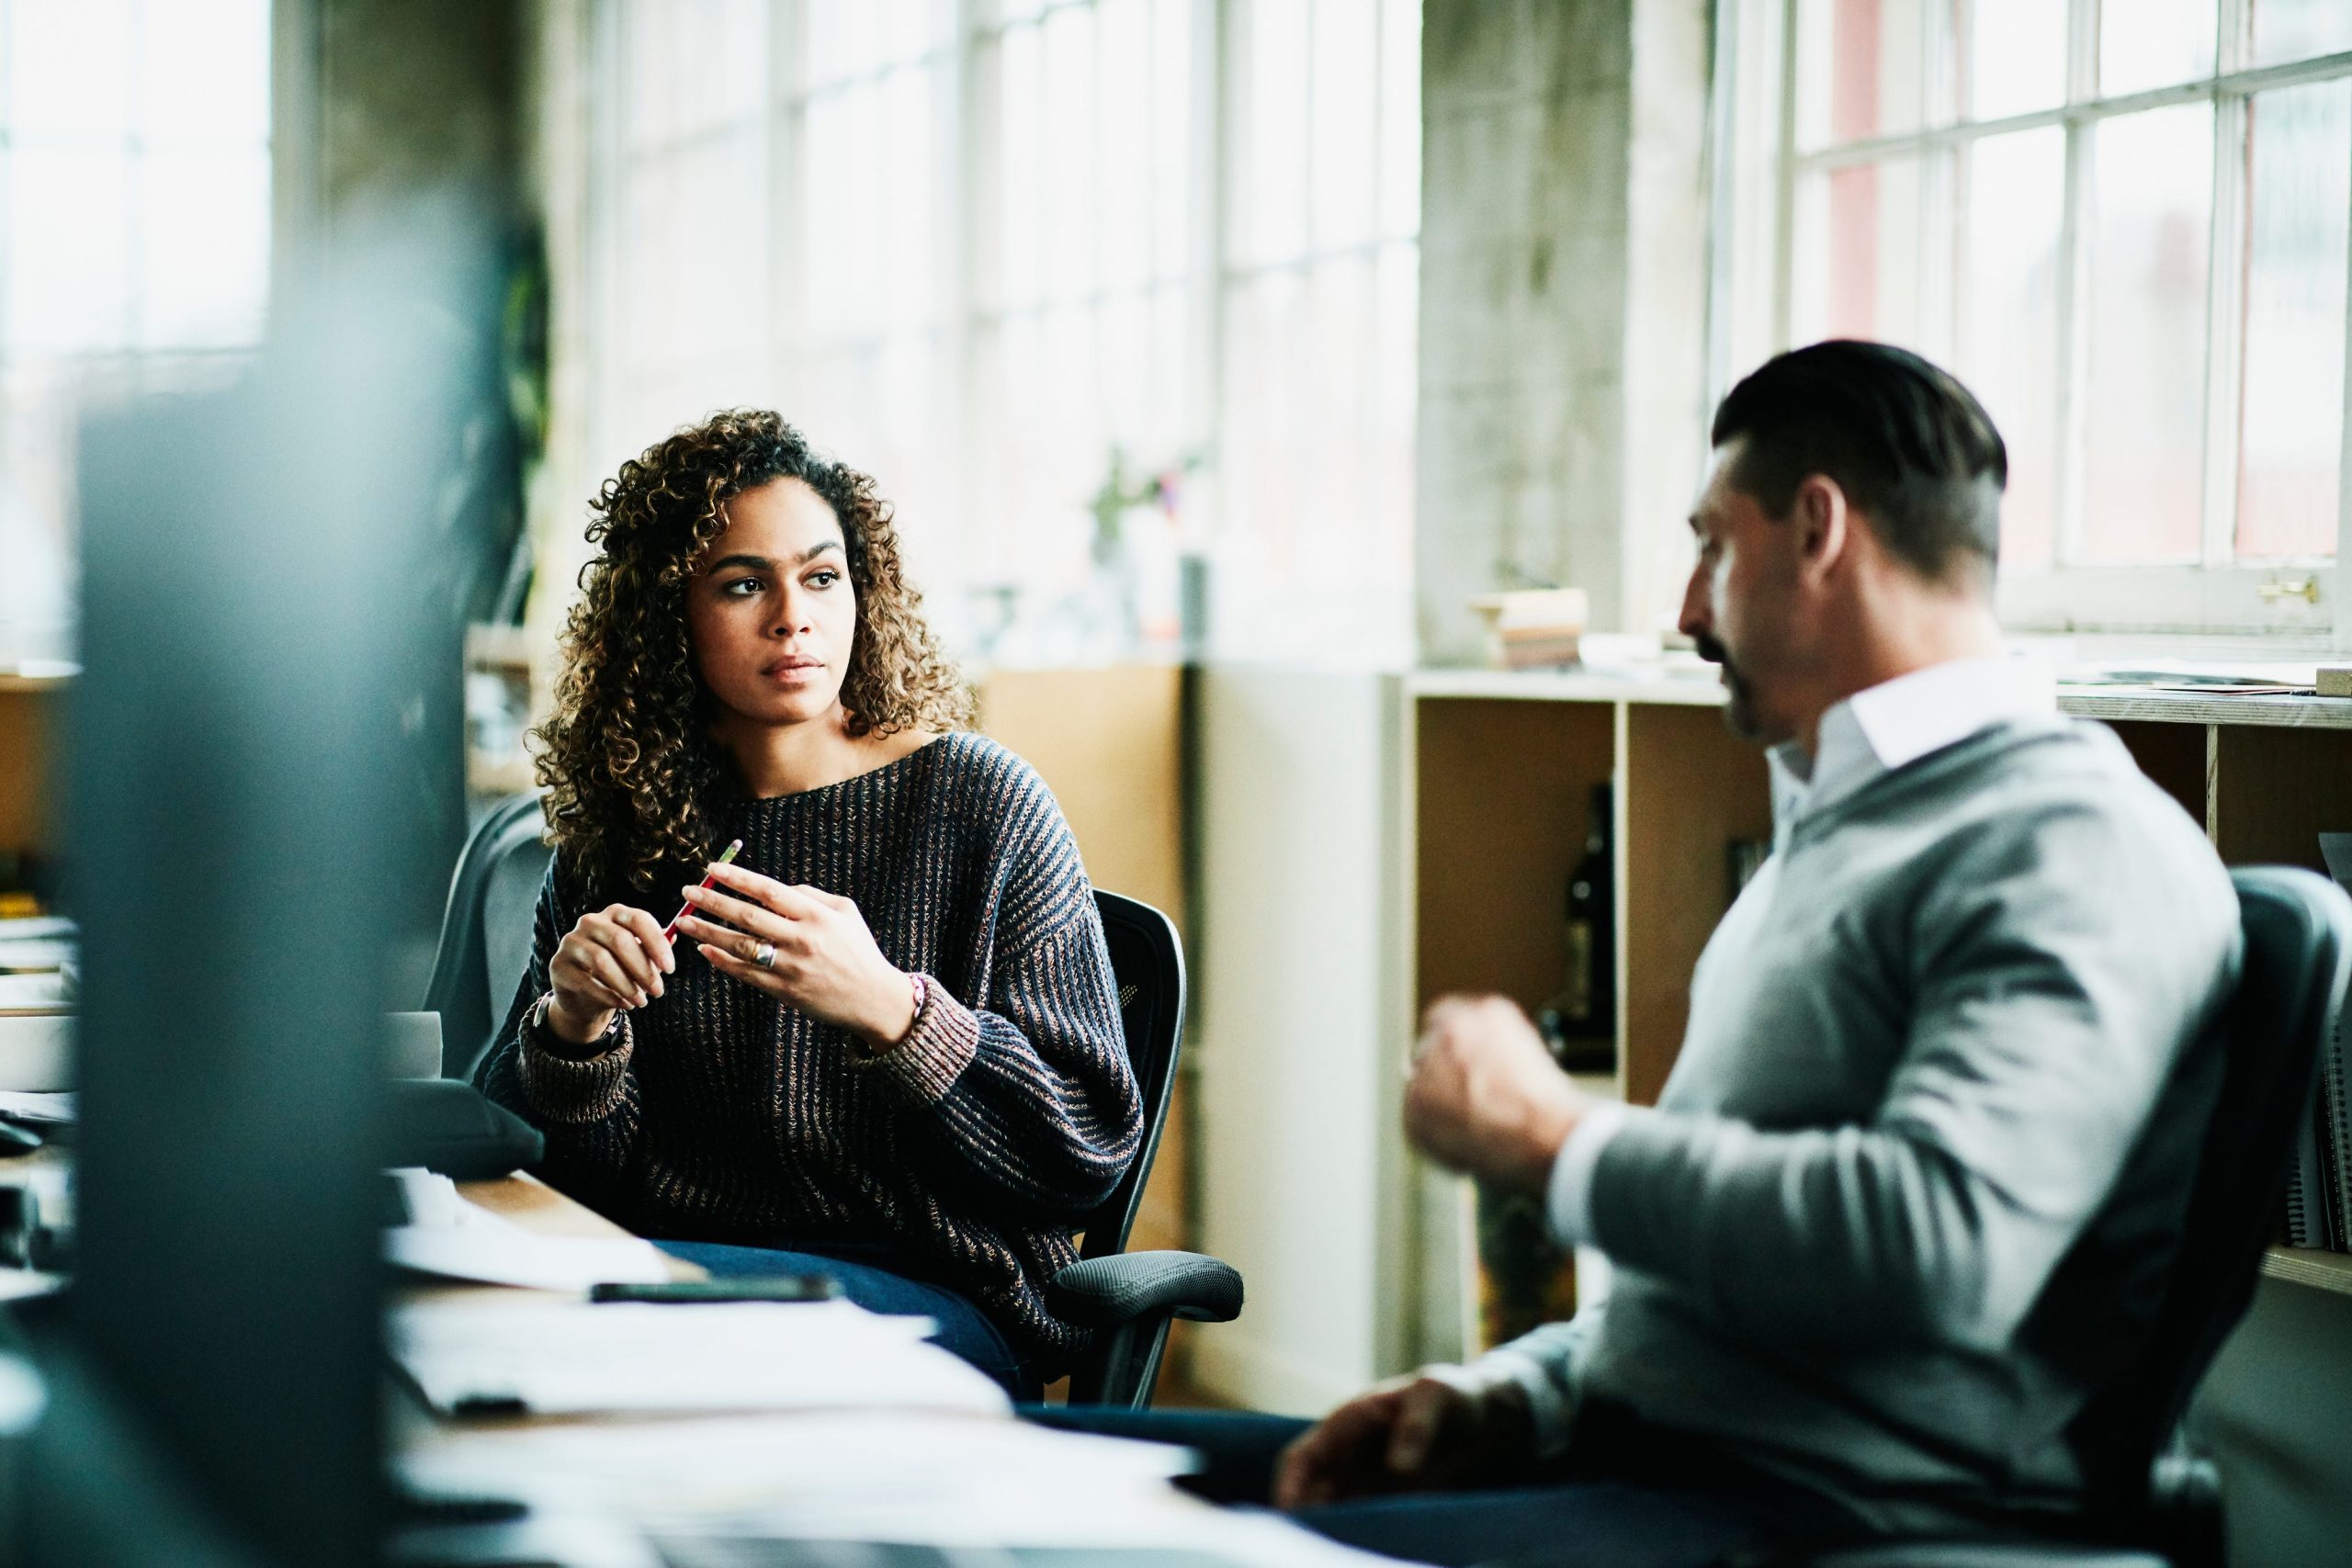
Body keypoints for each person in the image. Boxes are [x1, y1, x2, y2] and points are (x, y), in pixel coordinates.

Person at [1040, 343, 2241, 1566]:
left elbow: (1941, 1244)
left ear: (1819, 527)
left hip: (1820, 1513)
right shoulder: (1839, 827)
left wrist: (1557, 1138)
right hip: (1641, 1455)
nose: (1686, 608)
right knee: (1020, 1472)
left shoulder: (2068, 843)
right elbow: (1715, 1298)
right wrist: (1513, 1396)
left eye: (1713, 542)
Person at [474, 411, 1143, 1398]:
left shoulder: (979, 804)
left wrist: (891, 1010)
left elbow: (1084, 1153)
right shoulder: (623, 839)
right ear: (668, 616)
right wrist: (572, 1030)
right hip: (680, 1287)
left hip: (937, 1298)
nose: (794, 617)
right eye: (743, 584)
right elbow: (531, 1182)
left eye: (821, 576)